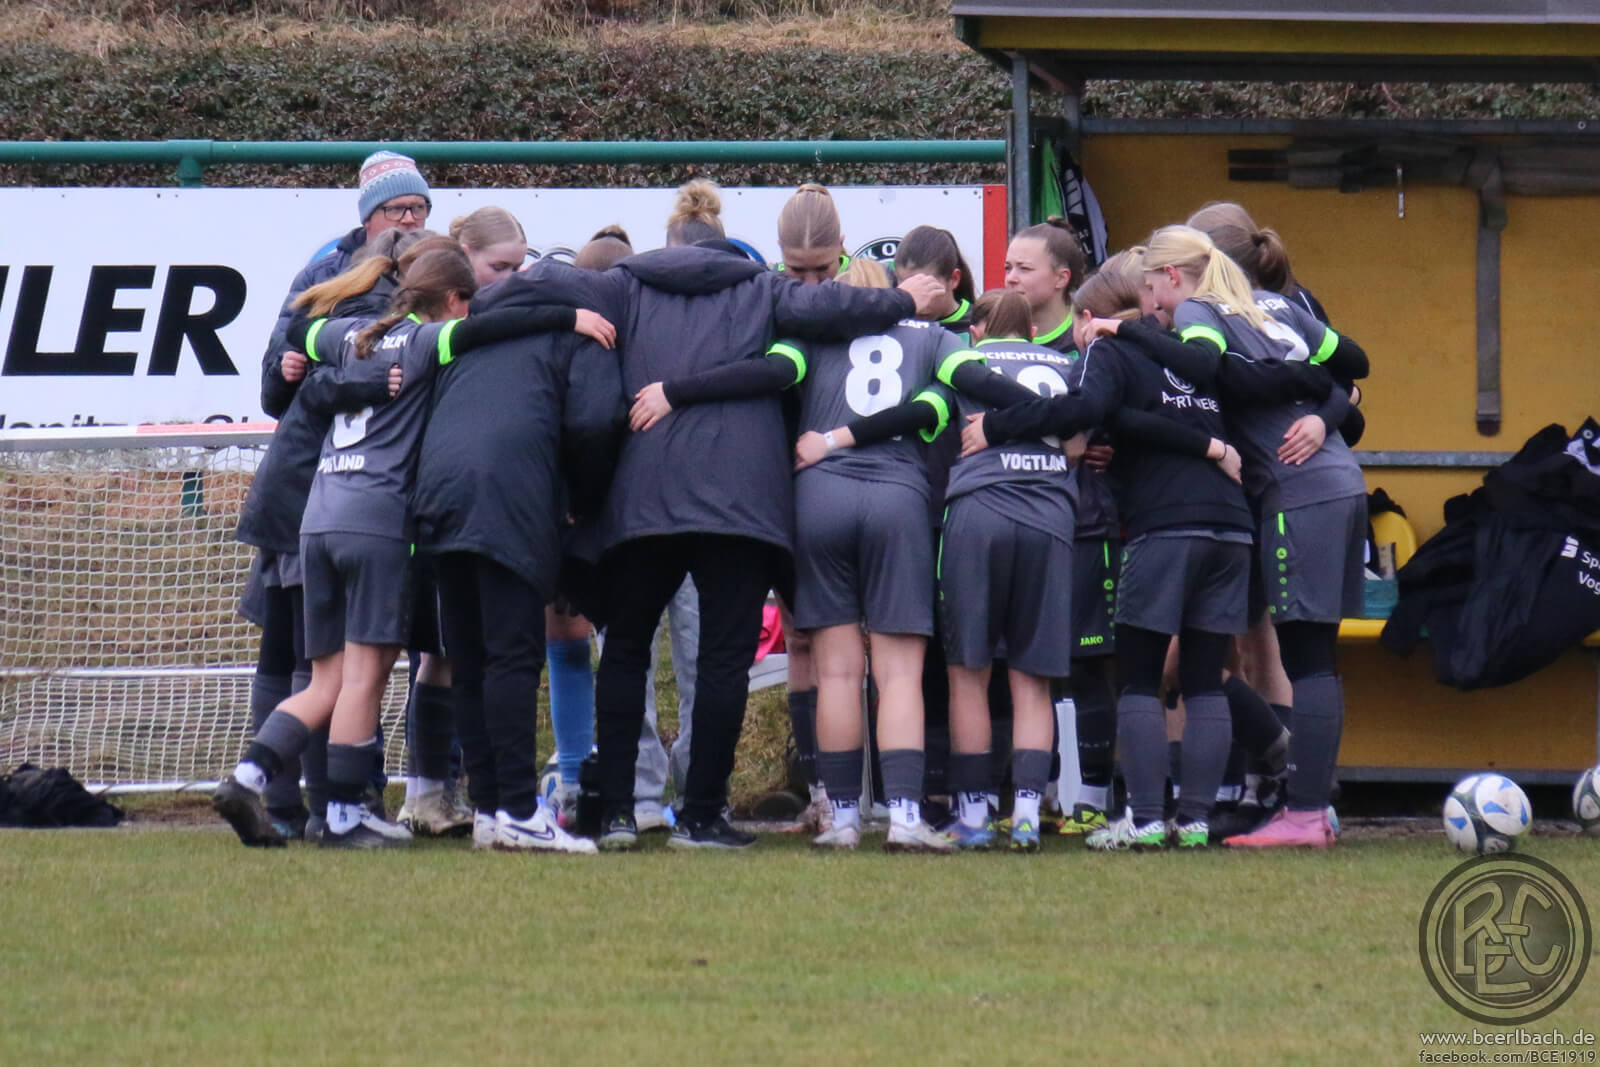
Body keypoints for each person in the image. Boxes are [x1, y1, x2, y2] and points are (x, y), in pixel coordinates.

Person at [508, 179, 948, 851]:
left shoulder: (625, 285)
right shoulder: (763, 288)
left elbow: (539, 282)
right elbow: (836, 305)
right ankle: (702, 814)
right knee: (721, 660)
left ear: (668, 244)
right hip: (742, 501)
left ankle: (620, 811)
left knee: (626, 650)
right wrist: (905, 298)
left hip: (645, 495)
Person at [213, 247, 590, 849]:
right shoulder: (424, 342)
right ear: (451, 300)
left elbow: (301, 329)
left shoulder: (349, 335)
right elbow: (492, 329)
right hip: (378, 523)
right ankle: (343, 815)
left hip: (317, 520)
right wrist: (570, 317)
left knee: (325, 680)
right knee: (365, 676)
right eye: (464, 304)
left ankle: (248, 776)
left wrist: (318, 369)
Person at [963, 253, 1263, 850]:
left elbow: (1084, 409)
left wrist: (998, 427)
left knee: (1140, 679)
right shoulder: (1190, 351)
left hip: (1166, 525)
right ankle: (1195, 821)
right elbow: (1142, 418)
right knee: (1204, 679)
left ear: (1089, 317)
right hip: (1231, 524)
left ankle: (1146, 820)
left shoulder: (1107, 347)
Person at [1112, 224, 1370, 849]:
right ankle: (1303, 804)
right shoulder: (1278, 304)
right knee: (1313, 656)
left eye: (1152, 291)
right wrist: (1323, 405)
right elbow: (1354, 369)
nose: (1153, 307)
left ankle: (1305, 813)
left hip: (1294, 490)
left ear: (1172, 276)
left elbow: (1204, 365)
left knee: (1305, 659)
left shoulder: (1199, 311)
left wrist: (1126, 331)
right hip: (1342, 483)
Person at [411, 247, 617, 854]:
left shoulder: (471, 332)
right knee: (511, 658)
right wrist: (582, 500)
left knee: (470, 657)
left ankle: (489, 809)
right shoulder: (582, 330)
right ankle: (522, 811)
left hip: (439, 495)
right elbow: (594, 422)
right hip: (509, 497)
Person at [234, 228, 433, 842]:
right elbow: (302, 388)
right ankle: (328, 808)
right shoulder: (389, 324)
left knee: (296, 659)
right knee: (328, 668)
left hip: (303, 499)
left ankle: (270, 796)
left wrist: (307, 372)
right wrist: (360, 384)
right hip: (324, 500)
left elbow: (290, 375)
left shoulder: (325, 310)